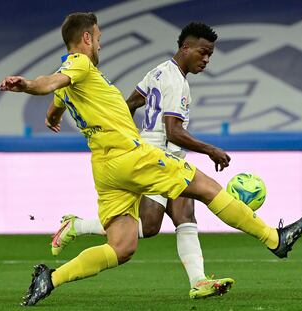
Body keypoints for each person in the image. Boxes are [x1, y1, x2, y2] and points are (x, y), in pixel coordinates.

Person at [0, 12, 302, 307]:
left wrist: (53, 115)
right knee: (205, 188)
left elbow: (58, 101)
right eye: (98, 36)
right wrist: (26, 85)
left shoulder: (79, 79)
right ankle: (274, 239)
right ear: (86, 38)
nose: (100, 42)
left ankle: (50, 278)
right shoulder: (79, 64)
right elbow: (48, 84)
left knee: (123, 246)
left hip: (105, 167)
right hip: (132, 156)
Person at [49, 22, 239, 299]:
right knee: (149, 226)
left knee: (183, 216)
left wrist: (118, 129)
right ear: (186, 47)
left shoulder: (158, 71)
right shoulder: (173, 79)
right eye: (203, 52)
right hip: (155, 156)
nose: (207, 59)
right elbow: (173, 129)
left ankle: (198, 281)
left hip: (163, 153)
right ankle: (77, 226)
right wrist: (210, 150)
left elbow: (130, 103)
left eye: (210, 54)